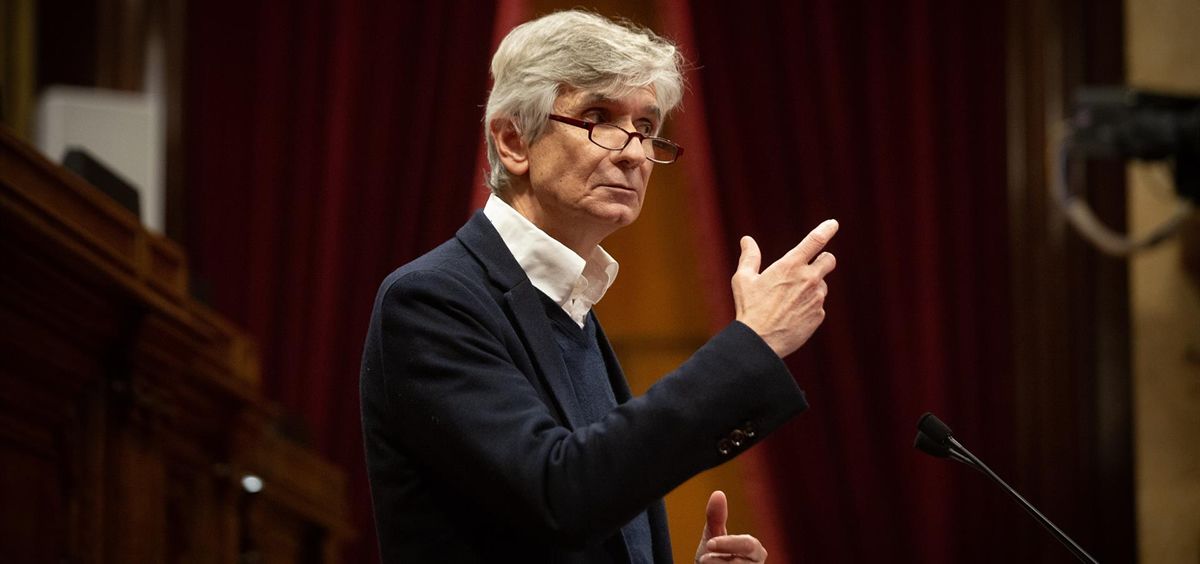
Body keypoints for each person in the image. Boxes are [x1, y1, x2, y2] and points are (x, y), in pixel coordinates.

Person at [360, 9, 838, 564]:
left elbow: (580, 515)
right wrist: (751, 343)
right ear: (514, 140)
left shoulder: (571, 304)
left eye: (646, 127)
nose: (634, 152)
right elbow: (558, 495)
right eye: (598, 117)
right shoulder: (432, 300)